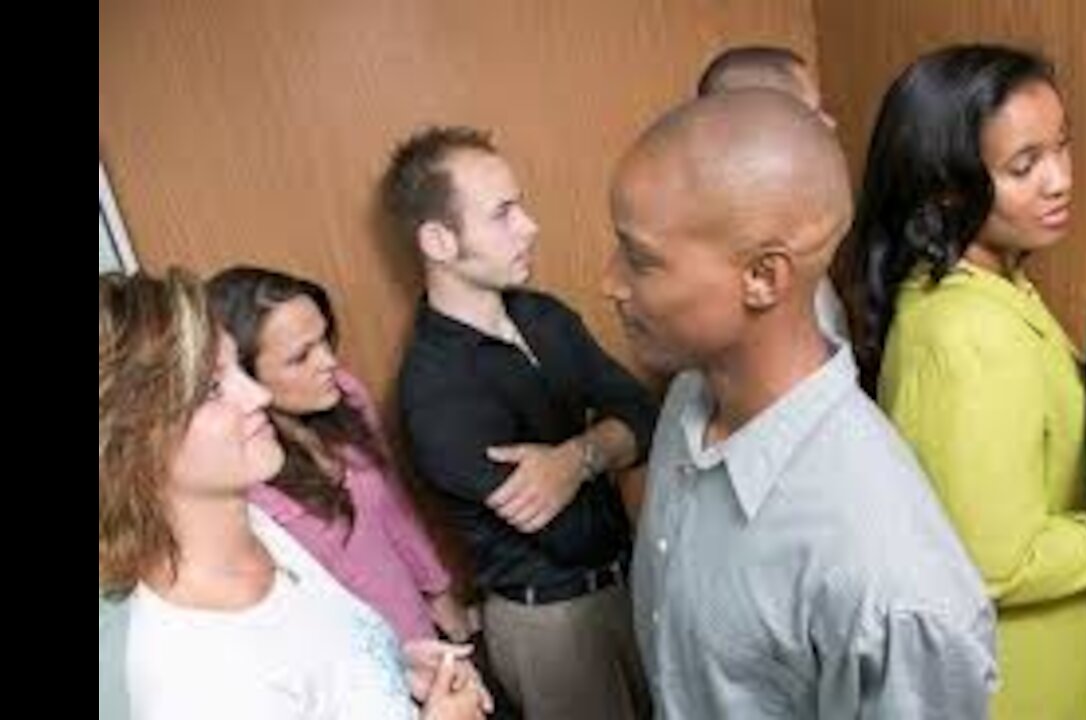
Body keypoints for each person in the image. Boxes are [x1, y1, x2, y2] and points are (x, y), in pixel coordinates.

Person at [604, 89, 997, 718]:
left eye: (639, 259)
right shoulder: (687, 400)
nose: (610, 282)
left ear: (763, 277)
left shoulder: (889, 583)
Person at [838, 43, 1086, 719]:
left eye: (1062, 147)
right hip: (1014, 682)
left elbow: (1003, 457)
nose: (1060, 180)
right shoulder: (970, 337)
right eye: (1024, 166)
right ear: (945, 188)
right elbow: (994, 562)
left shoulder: (987, 283)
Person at [99, 268, 487, 719]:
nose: (258, 396)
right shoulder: (194, 687)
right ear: (132, 447)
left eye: (237, 369)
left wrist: (394, 670)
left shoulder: (257, 530)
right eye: (212, 389)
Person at [384, 126, 657, 719]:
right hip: (552, 626)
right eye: (502, 213)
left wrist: (577, 458)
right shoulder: (437, 391)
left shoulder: (544, 315)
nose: (529, 226)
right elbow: (574, 534)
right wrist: (611, 445)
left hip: (630, 587)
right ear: (438, 240)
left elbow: (645, 412)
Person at [697, 44, 847, 342]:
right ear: (761, 123)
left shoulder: (789, 216)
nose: (830, 124)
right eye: (812, 113)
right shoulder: (743, 244)